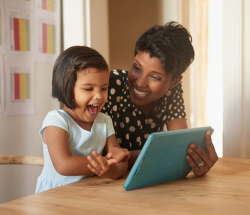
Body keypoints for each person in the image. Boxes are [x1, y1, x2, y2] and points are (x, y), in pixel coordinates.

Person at [101, 21, 218, 176]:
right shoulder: (108, 85)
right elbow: (98, 157)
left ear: (174, 82)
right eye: (137, 68)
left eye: (155, 77)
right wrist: (168, 155)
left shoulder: (172, 91)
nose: (140, 83)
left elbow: (180, 148)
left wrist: (196, 158)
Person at [36, 46, 130, 193]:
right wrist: (108, 161)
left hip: (90, 191)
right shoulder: (56, 120)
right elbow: (64, 164)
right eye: (88, 89)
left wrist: (110, 171)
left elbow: (121, 161)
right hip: (56, 195)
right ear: (66, 87)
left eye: (104, 88)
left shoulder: (104, 121)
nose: (99, 95)